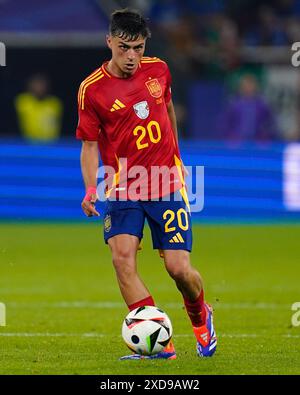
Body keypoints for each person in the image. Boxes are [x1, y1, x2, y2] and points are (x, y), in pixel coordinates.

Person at [76, 9, 217, 360]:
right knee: (122, 261)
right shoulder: (91, 90)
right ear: (109, 41)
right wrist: (91, 189)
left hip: (165, 182)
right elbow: (89, 145)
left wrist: (178, 157)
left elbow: (167, 111)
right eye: (124, 47)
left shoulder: (159, 70)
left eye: (138, 48)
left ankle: (201, 316)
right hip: (123, 188)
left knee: (179, 269)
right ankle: (158, 344)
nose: (131, 57)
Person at [220, 73, 278, 142]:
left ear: (255, 87)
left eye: (250, 85)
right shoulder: (234, 105)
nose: (248, 88)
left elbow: (271, 124)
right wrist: (230, 137)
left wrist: (265, 137)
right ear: (241, 87)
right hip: (237, 143)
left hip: (256, 143)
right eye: (246, 86)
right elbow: (224, 124)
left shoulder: (262, 105)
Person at [14, 74, 63, 143]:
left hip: (50, 145)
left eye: (42, 85)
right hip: (26, 144)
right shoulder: (23, 101)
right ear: (30, 86)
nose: (39, 88)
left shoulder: (54, 103)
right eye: (36, 85)